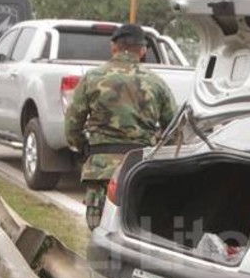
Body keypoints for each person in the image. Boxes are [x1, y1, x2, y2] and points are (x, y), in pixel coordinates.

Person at [64, 22, 178, 229]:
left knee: (98, 230)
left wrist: (85, 149)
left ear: (113, 47)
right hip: (139, 170)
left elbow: (72, 126)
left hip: (102, 169)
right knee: (136, 230)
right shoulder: (156, 82)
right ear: (142, 50)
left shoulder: (92, 78)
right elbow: (174, 130)